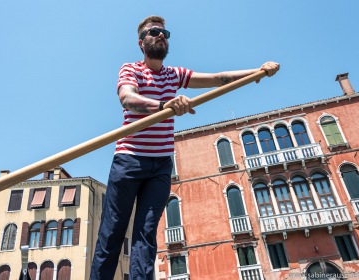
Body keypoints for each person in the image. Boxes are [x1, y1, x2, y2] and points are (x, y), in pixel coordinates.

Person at [90, 15, 280, 280]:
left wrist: (257, 72)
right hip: (129, 160)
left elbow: (219, 77)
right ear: (141, 42)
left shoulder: (174, 75)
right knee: (112, 232)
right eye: (154, 32)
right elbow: (128, 99)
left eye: (164, 33)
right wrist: (163, 106)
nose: (160, 36)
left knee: (146, 236)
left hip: (161, 166)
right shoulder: (131, 69)